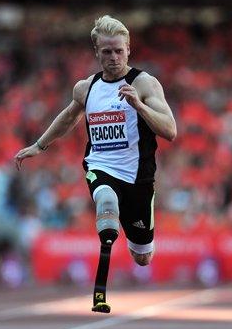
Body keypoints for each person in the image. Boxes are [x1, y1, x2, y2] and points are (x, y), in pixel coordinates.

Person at [15, 15, 176, 278]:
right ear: (96, 52)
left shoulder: (144, 84)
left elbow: (170, 130)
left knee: (143, 257)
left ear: (128, 51)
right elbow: (68, 117)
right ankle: (107, 233)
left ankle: (123, 226)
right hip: (100, 165)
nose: (113, 57)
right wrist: (39, 145)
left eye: (118, 51)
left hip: (138, 176)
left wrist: (139, 106)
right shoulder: (86, 88)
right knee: (106, 196)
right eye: (107, 52)